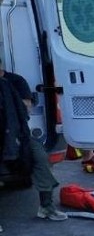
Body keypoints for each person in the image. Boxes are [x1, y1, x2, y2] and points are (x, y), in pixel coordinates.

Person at [0, 56, 67, 222]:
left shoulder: (15, 81)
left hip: (18, 133)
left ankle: (46, 207)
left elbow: (25, 107)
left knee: (40, 157)